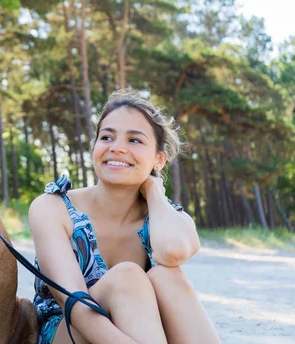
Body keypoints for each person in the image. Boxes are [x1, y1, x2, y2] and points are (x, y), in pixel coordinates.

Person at [29, 90, 221, 344]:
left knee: (166, 275)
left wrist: (154, 191)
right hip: (71, 332)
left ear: (159, 159)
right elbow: (74, 303)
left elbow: (174, 250)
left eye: (135, 141)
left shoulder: (165, 216)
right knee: (126, 277)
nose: (117, 148)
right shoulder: (53, 207)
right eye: (107, 137)